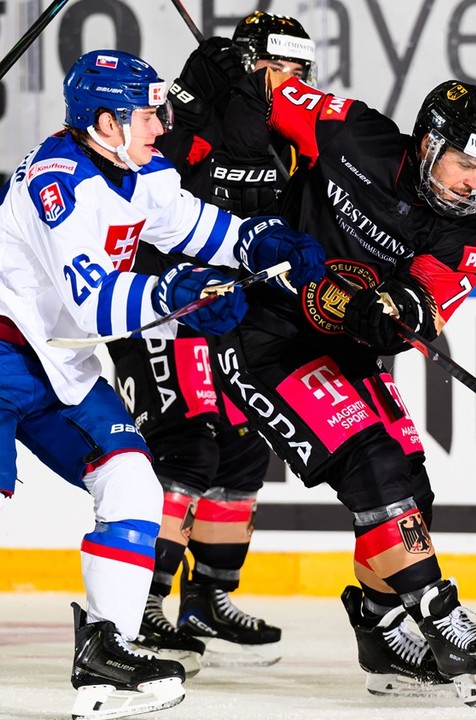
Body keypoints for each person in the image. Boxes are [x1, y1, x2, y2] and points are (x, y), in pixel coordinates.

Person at [0, 48, 324, 719]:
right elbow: (95, 304)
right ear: (106, 122)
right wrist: (177, 294)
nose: (160, 123)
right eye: (147, 112)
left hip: (58, 362)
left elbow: (192, 226)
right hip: (5, 361)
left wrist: (258, 241)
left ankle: (104, 656)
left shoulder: (139, 167)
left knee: (132, 481)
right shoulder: (61, 182)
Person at [207, 71, 476, 706]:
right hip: (263, 336)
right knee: (370, 462)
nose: (473, 183)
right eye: (465, 163)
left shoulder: (461, 238)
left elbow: (420, 307)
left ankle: (381, 630)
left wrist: (392, 310)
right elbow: (266, 96)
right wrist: (228, 72)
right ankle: (441, 618)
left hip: (343, 353)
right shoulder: (351, 130)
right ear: (430, 143)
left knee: (409, 479)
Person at [106, 11, 317, 671]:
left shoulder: (287, 136)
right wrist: (193, 101)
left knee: (244, 455)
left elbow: (294, 214)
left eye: (301, 70)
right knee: (186, 447)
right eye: (280, 67)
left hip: (230, 308)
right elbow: (139, 186)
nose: (293, 81)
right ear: (249, 63)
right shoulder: (190, 112)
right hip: (159, 301)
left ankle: (206, 599)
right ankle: (140, 604)